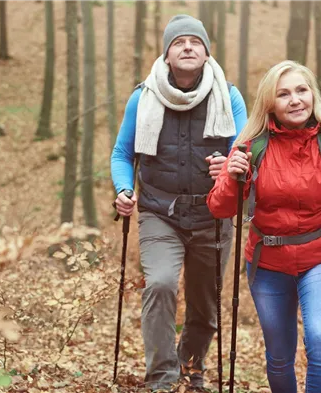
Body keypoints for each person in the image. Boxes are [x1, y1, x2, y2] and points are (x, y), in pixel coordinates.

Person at [206, 60, 321, 393]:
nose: (295, 100)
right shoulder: (250, 146)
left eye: (302, 90)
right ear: (270, 103)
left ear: (313, 95)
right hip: (268, 261)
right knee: (279, 356)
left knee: (320, 337)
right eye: (284, 94)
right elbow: (220, 208)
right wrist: (234, 177)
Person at [110, 14, 248, 392]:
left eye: (195, 42)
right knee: (160, 284)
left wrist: (231, 166)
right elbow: (122, 153)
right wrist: (123, 189)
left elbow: (247, 151)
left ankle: (191, 365)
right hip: (160, 212)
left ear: (206, 53)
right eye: (178, 42)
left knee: (206, 306)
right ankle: (162, 378)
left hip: (214, 214)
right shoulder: (143, 97)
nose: (188, 47)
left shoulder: (229, 96)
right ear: (167, 54)